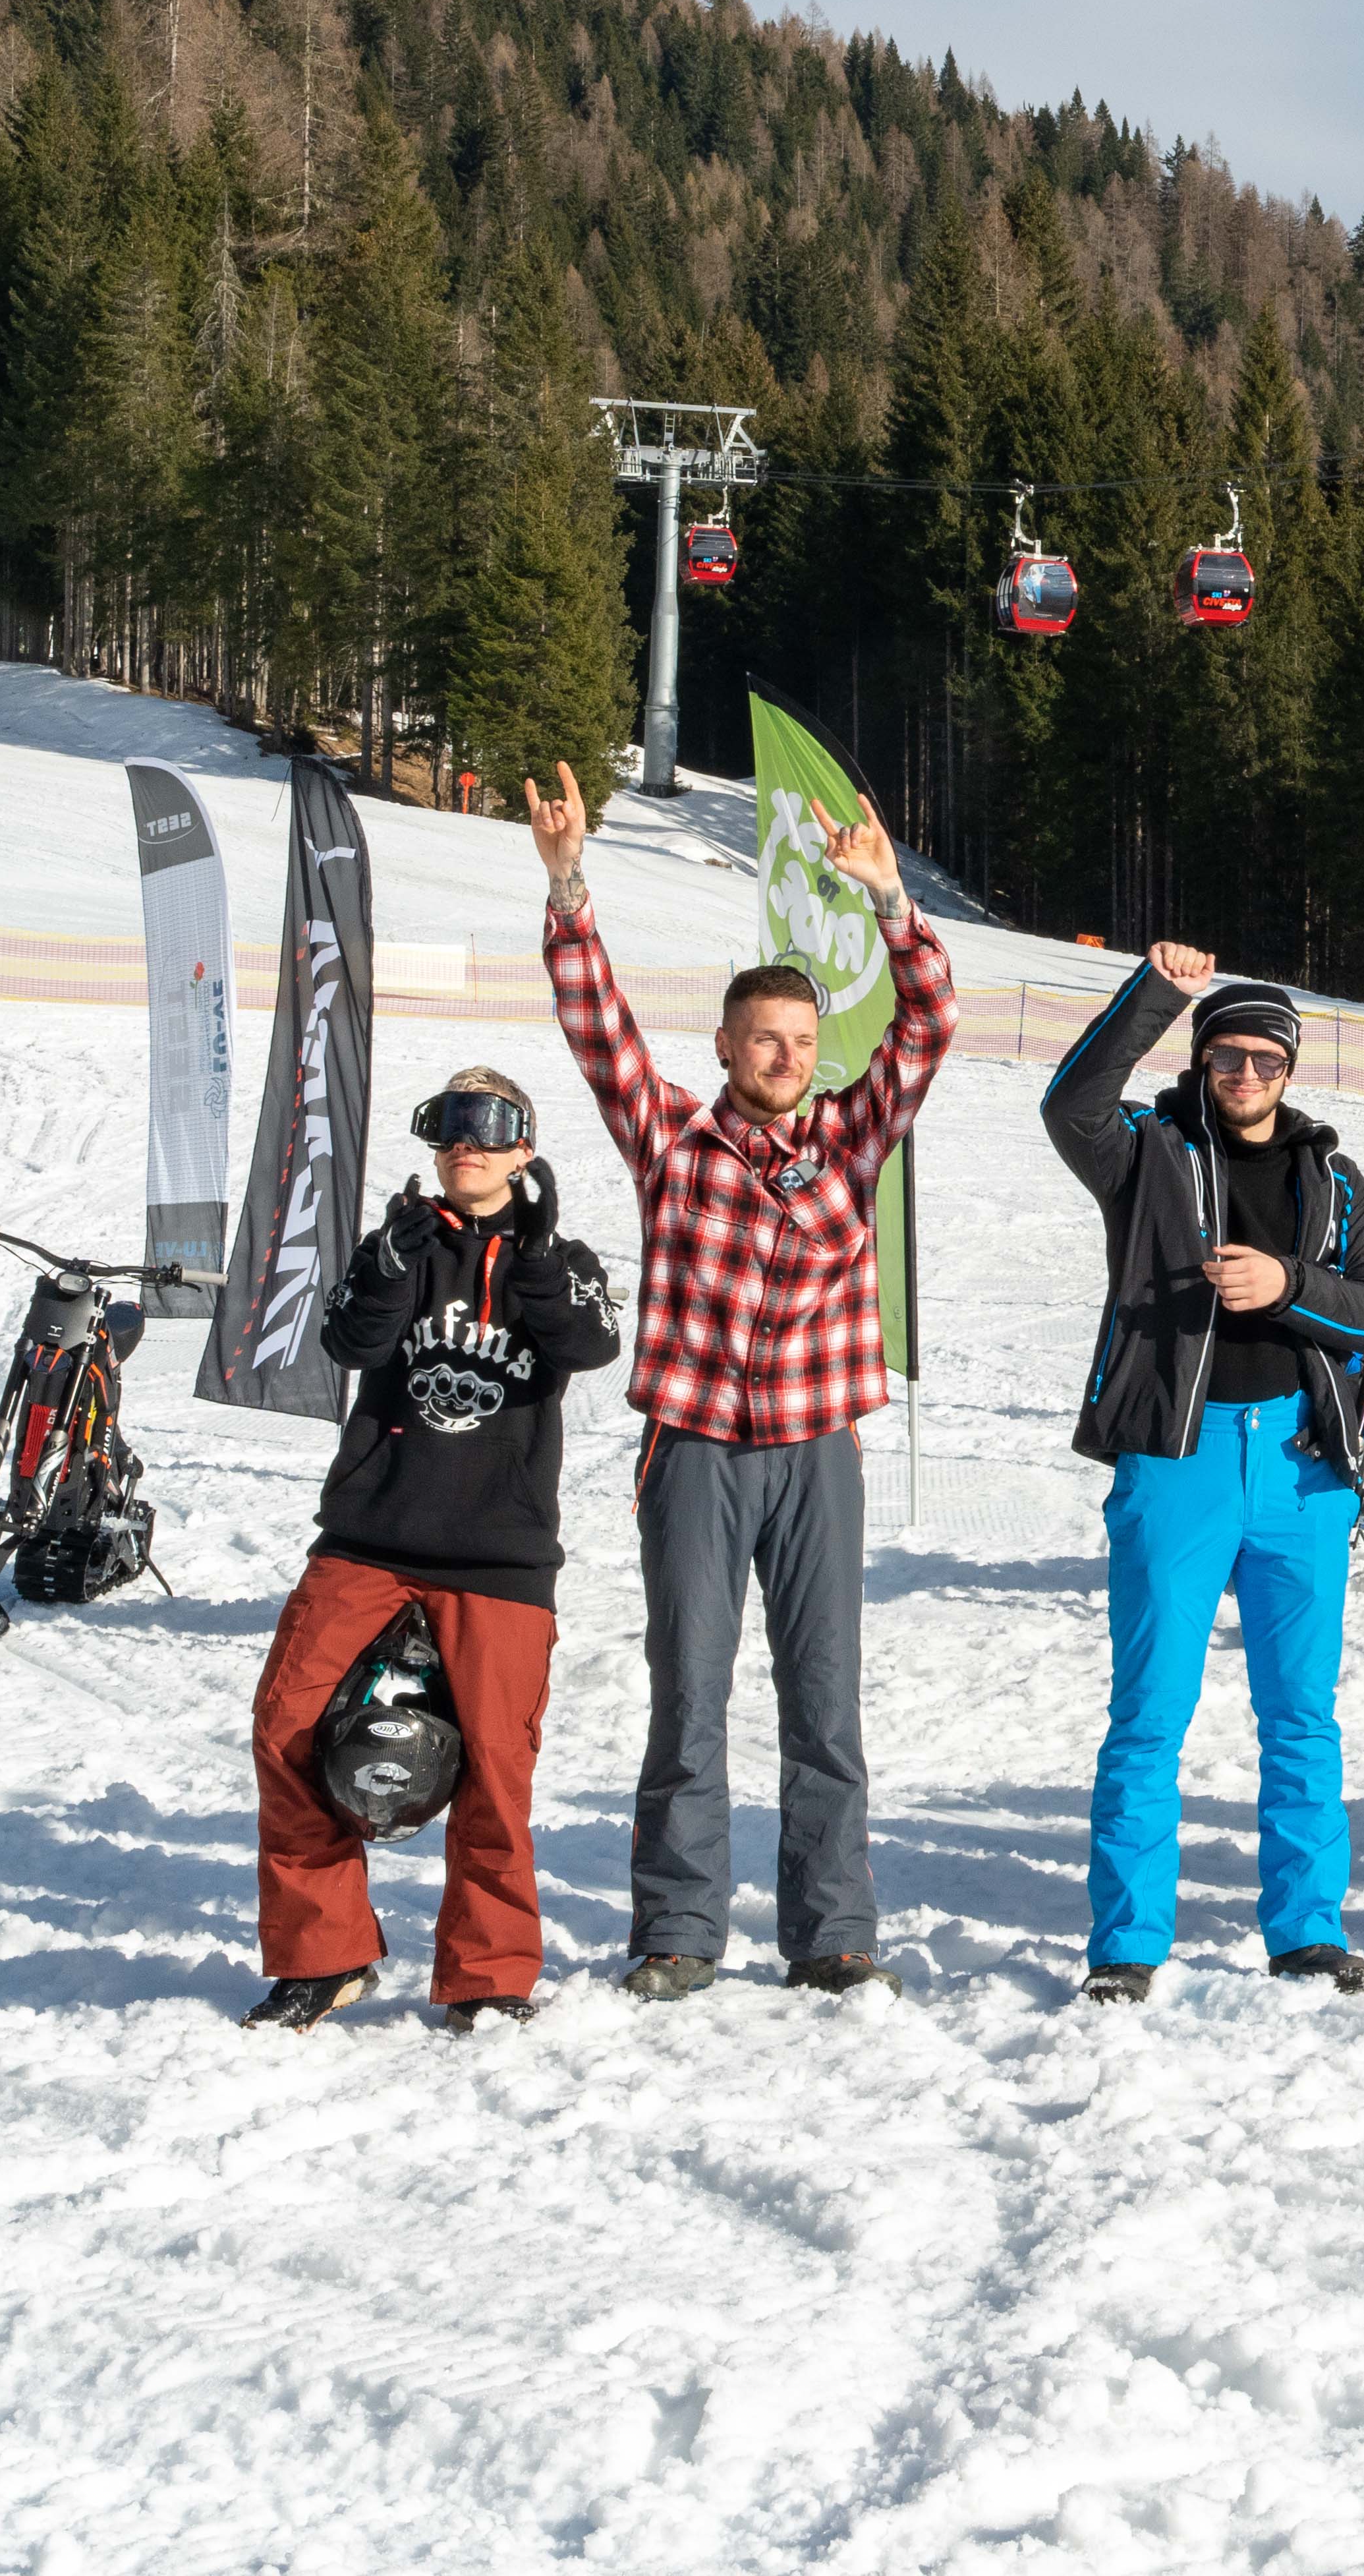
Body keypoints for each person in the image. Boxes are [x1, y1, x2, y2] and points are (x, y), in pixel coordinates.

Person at [536, 763, 955, 2001]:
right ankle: (678, 1927)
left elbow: (926, 1027)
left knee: (824, 1700)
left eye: (798, 1041)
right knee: (691, 1693)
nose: (782, 1057)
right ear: (724, 1046)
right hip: (697, 1448)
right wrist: (568, 885)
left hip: (816, 1452)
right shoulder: (672, 1138)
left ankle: (831, 1929)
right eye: (760, 1039)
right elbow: (594, 1027)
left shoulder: (851, 1134)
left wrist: (889, 902)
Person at [1042, 943, 1364, 1997]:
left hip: (1301, 1463)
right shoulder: (1146, 1153)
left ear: (1291, 1069)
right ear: (1202, 1061)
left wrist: (1287, 1282)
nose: (1245, 1075)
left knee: (1302, 1713)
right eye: (1227, 1057)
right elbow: (1072, 1105)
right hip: (1179, 1456)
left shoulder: (1334, 1180)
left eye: (1264, 1059)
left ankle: (1306, 1926)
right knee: (1150, 1711)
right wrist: (1160, 996)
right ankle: (1127, 1943)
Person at [242, 1070, 621, 2030]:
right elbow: (354, 1343)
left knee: (496, 1768)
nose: (471, 1145)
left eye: (493, 1129)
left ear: (524, 1149)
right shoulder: (398, 1245)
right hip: (371, 1537)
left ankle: (487, 1976)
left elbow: (589, 1344)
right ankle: (324, 1958)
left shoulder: (562, 1256)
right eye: (454, 1127)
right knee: (286, 1727)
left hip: (499, 1556)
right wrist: (386, 1265)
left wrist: (533, 1259)